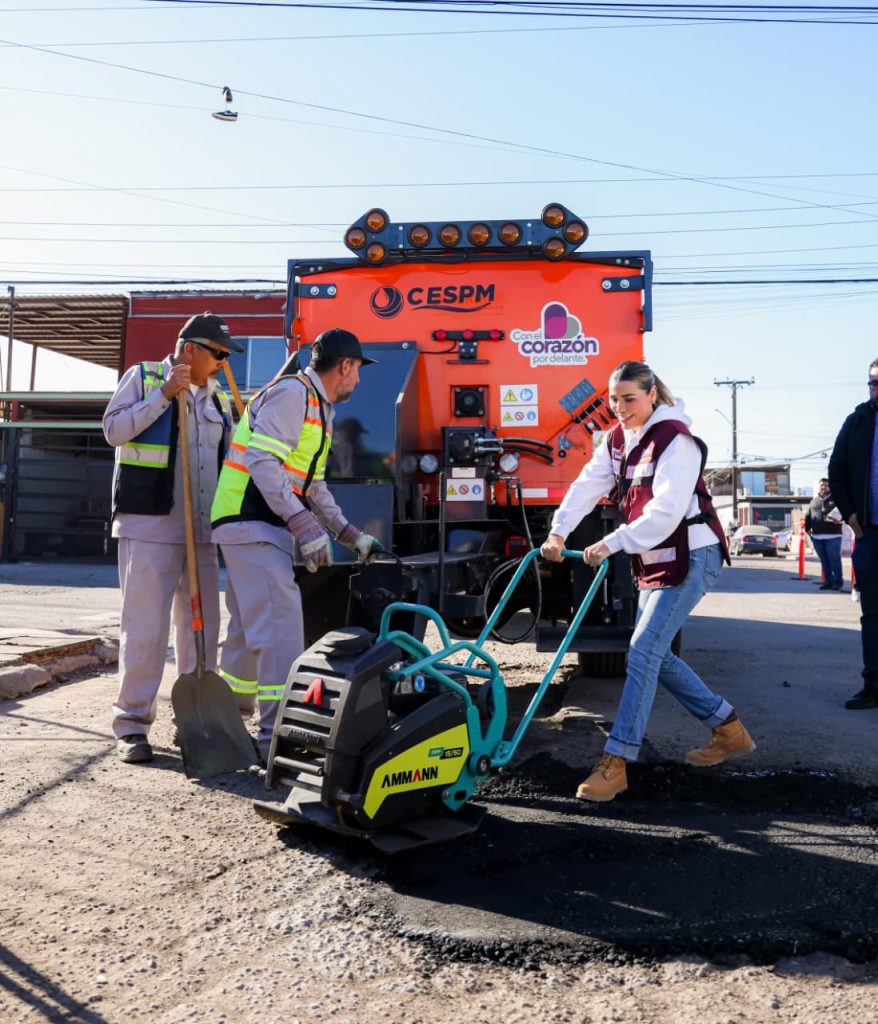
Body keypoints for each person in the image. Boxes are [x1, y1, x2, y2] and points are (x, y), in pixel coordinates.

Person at [541, 360, 756, 802]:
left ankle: (616, 761)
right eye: (613, 400)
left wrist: (612, 542)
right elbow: (586, 485)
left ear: (652, 394)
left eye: (629, 399)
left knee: (642, 651)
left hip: (692, 554)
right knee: (656, 654)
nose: (620, 408)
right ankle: (727, 728)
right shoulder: (617, 440)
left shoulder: (676, 440)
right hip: (656, 558)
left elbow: (666, 513)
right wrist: (559, 532)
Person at [210, 327, 382, 759]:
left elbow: (312, 484)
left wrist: (349, 534)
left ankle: (227, 721)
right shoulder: (293, 394)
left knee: (248, 628)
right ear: (345, 365)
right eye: (358, 370)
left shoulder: (319, 408)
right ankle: (275, 737)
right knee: (279, 626)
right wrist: (303, 524)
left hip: (250, 521)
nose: (359, 380)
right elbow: (261, 460)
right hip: (251, 518)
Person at [104, 312, 243, 763]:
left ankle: (194, 723)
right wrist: (164, 395)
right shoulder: (144, 378)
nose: (223, 363)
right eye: (218, 353)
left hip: (201, 533)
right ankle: (131, 725)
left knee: (202, 631)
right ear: (190, 350)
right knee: (145, 630)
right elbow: (113, 431)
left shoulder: (218, 397)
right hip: (150, 529)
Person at [828, 359, 878, 710]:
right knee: (872, 614)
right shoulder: (858, 421)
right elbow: (837, 469)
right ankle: (873, 685)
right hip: (871, 535)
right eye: (872, 382)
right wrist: (849, 513)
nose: (876, 388)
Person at [805, 478, 844, 591]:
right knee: (824, 560)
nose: (823, 487)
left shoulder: (836, 499)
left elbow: (845, 513)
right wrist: (808, 531)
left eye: (826, 485)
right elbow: (808, 516)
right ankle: (828, 582)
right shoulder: (813, 501)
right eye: (822, 485)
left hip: (833, 536)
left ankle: (838, 582)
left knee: (834, 559)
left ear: (829, 486)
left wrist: (841, 520)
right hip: (817, 537)